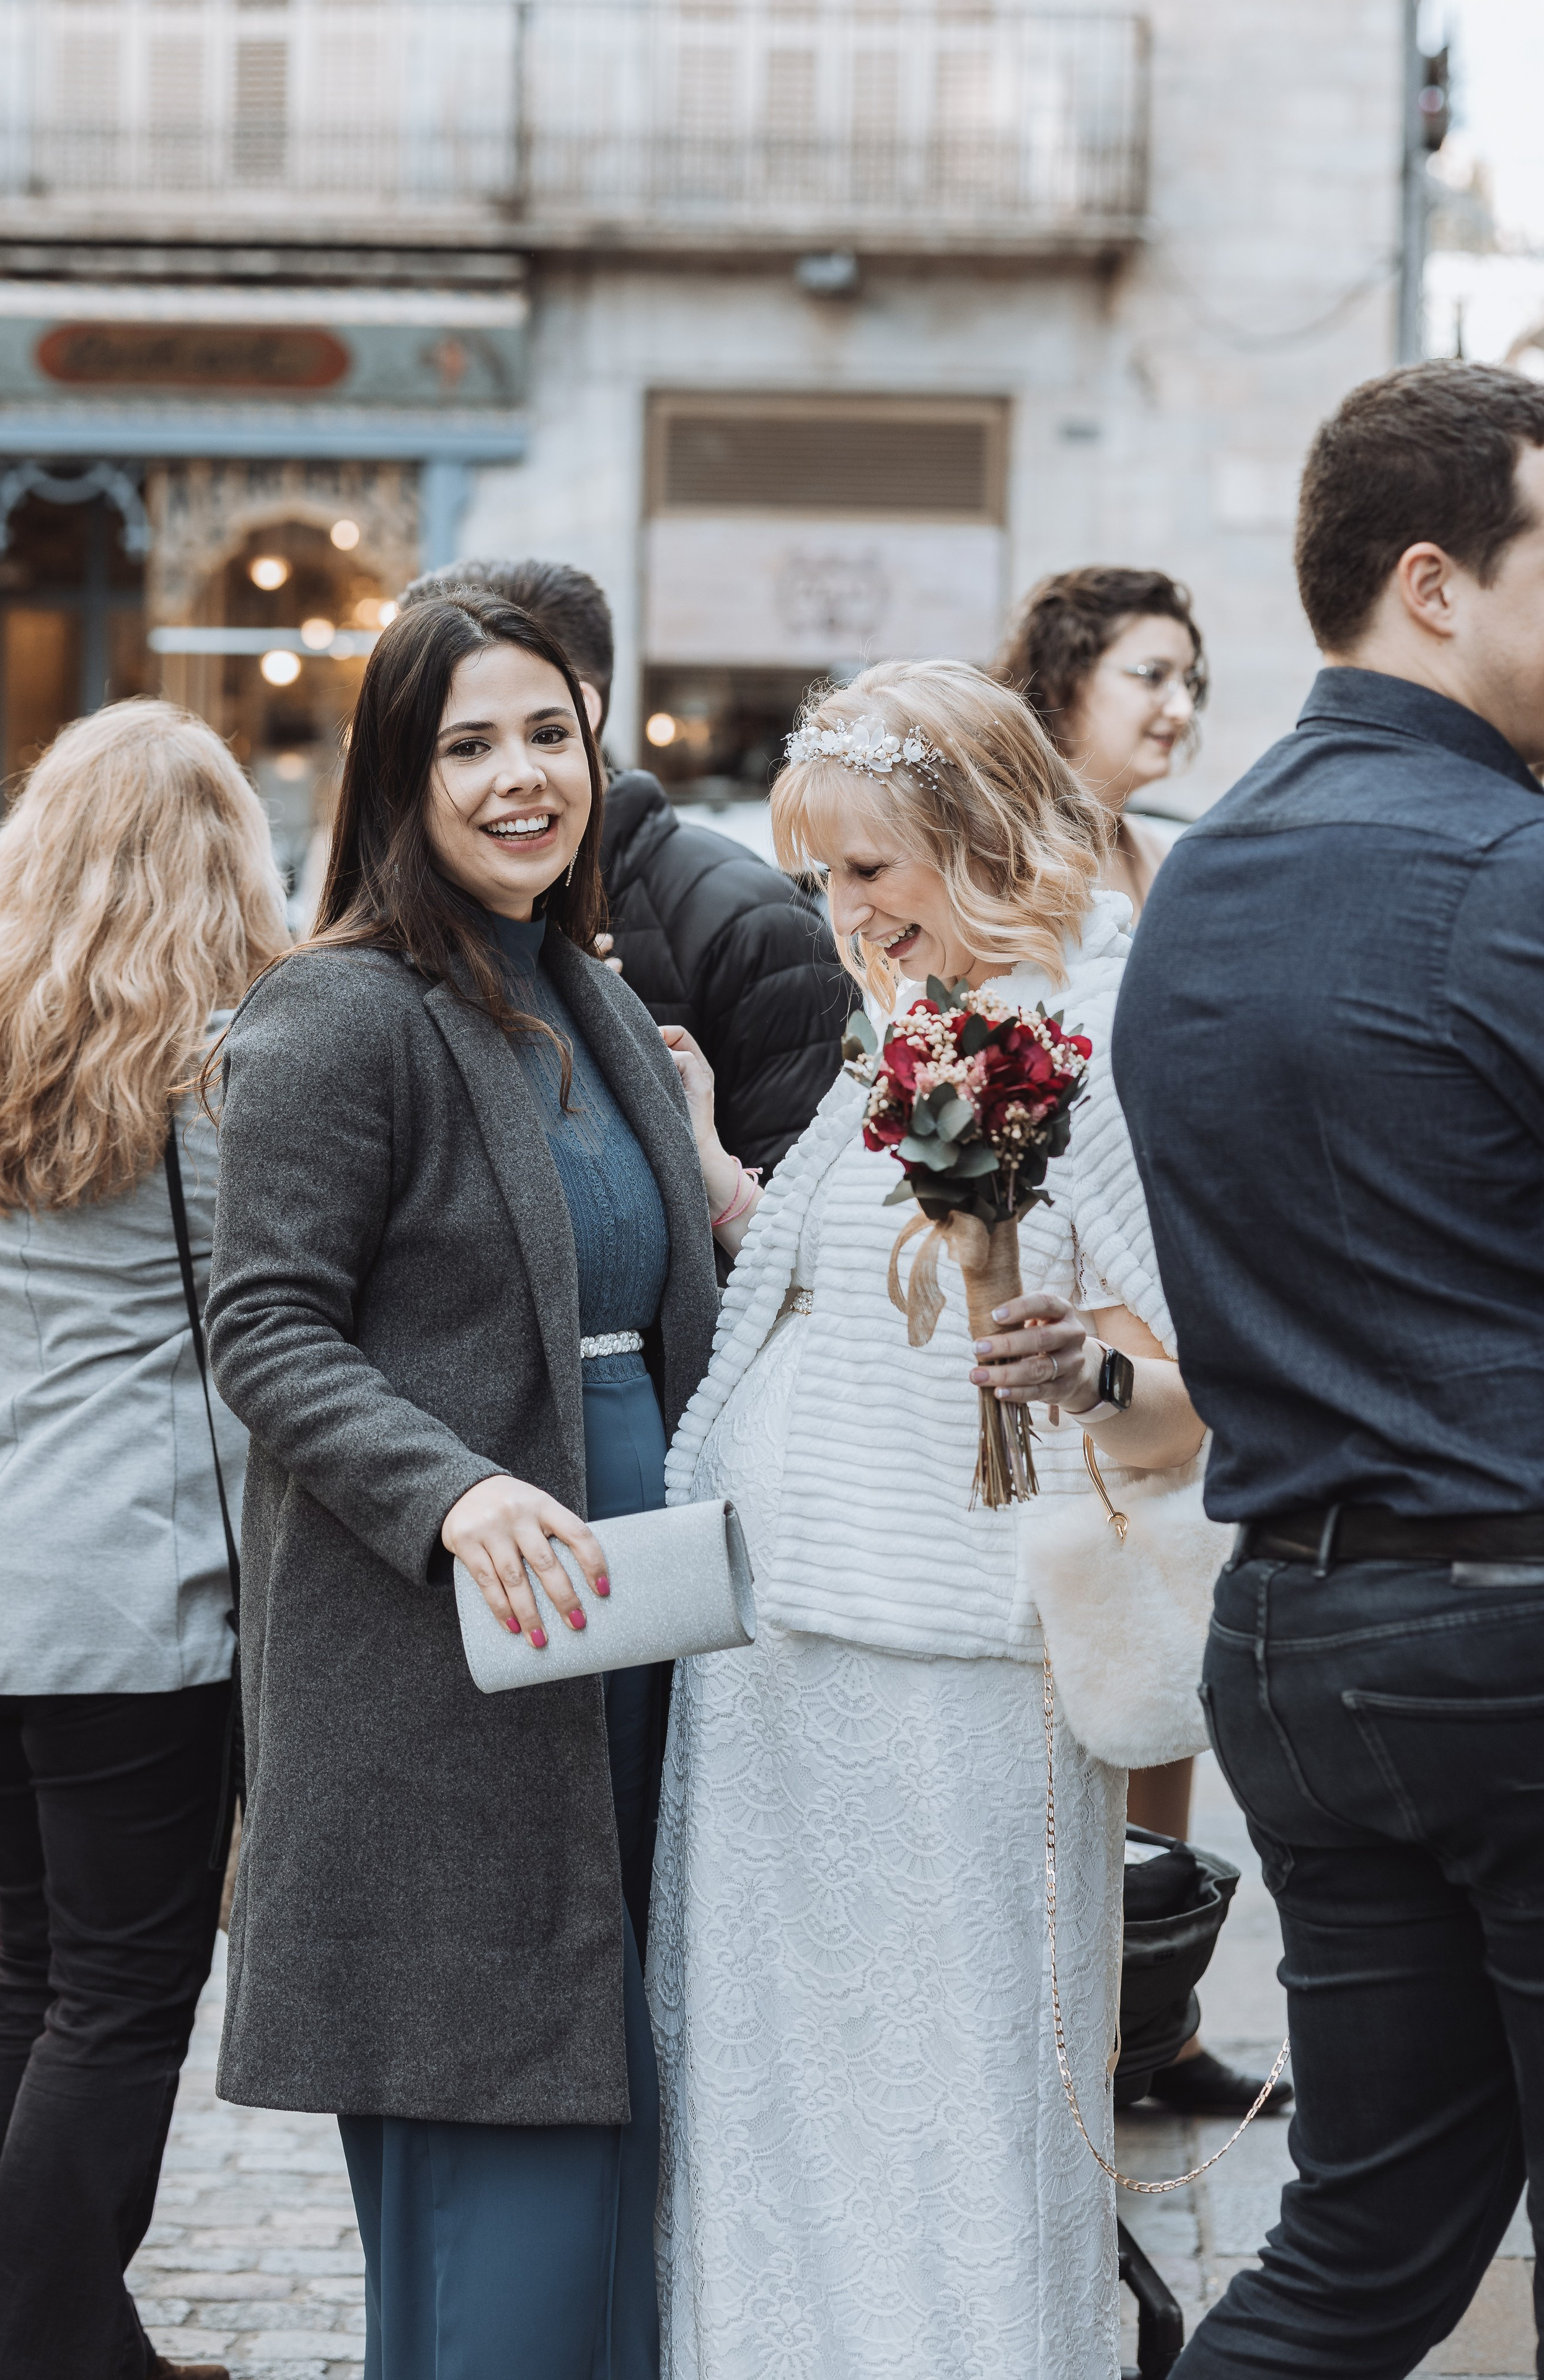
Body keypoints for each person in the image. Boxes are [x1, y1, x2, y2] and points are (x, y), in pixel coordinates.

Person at [650, 659, 1207, 2377]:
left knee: (948, 2109)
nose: (846, 911)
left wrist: (1078, 1375)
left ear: (971, 848)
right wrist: (729, 1183)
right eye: (824, 874)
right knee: (779, 2110)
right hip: (779, 1670)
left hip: (946, 1688)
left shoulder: (1063, 1058)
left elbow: (1182, 1395)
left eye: (873, 871)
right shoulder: (885, 1051)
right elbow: (847, 1316)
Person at [203, 594, 726, 2380]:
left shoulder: (588, 989)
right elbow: (263, 1330)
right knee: (497, 2207)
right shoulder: (335, 1014)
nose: (521, 779)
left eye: (548, 737)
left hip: (633, 1646)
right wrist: (450, 1495)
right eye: (468, 745)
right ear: (395, 779)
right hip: (452, 1688)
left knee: (617, 2155)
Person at [1113, 359, 1544, 2378]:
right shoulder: (1500, 868)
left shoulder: (1210, 873)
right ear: (1440, 582)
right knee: (1375, 2239)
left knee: (1364, 2241)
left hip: (1297, 1631)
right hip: (1504, 1616)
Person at [0, 700, 288, 2380]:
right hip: (136, 1597)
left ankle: (68, 2332)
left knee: (37, 1967)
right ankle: (26, 2351)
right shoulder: (225, 1081)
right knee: (122, 1994)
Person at [999, 565, 1285, 2127]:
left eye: (1188, 680)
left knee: (1165, 1615)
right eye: (1147, 677)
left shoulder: (1158, 852)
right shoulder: (1022, 850)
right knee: (1082, 1606)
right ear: (1063, 681)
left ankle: (1148, 2008)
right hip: (1064, 1265)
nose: (1175, 708)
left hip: (1168, 1260)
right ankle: (1068, 2003)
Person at [400, 558, 850, 1173]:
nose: (514, 777)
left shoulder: (753, 926)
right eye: (460, 744)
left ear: (579, 712)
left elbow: (795, 1232)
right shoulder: (387, 947)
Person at [996, 565, 1206, 915]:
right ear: (1063, 676)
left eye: (1188, 682)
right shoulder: (991, 852)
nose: (1183, 709)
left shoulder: (1165, 858)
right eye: (1154, 676)